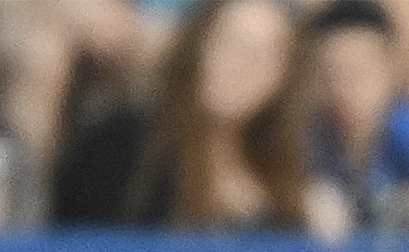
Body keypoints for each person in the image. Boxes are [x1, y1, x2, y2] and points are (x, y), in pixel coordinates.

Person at [50, 0, 318, 233]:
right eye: (231, 44)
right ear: (198, 46)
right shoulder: (126, 144)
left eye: (263, 55)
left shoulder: (285, 172)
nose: (242, 66)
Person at [304, 0, 409, 237]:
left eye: (358, 72)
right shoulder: (311, 135)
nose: (343, 88)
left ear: (389, 70)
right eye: (332, 72)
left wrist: (397, 206)